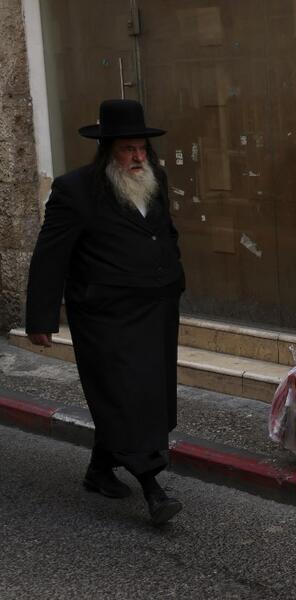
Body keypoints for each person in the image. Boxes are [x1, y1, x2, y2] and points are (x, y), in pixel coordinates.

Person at [25, 99, 185, 524]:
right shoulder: (75, 190)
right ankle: (153, 488)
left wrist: (174, 276)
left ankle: (99, 470)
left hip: (156, 308)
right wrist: (41, 318)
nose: (138, 157)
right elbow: (50, 255)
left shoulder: (156, 178)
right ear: (107, 150)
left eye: (142, 149)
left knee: (145, 393)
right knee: (126, 394)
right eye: (128, 149)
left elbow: (163, 233)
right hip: (105, 317)